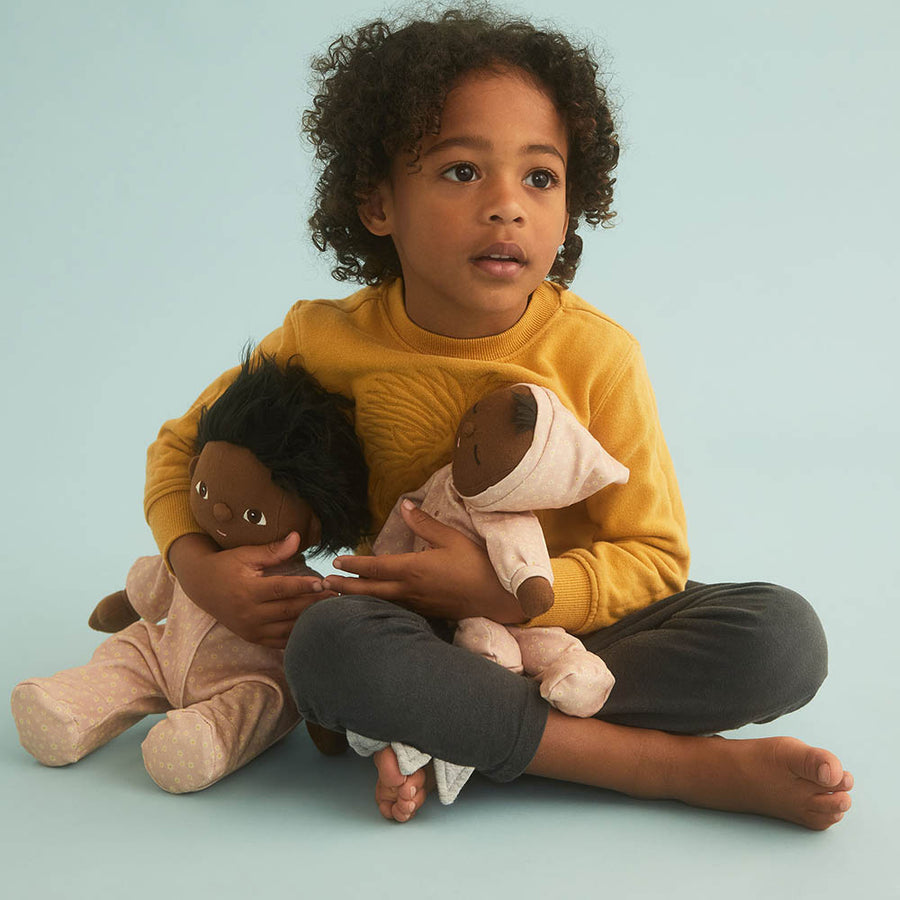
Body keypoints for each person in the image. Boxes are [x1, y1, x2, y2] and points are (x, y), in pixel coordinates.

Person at [144, 8, 853, 830]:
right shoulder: (322, 338)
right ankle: (668, 766)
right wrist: (196, 565)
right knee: (327, 647)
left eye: (540, 178)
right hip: (406, 636)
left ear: (570, 203)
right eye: (459, 172)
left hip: (567, 631)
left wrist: (513, 598)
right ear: (378, 202)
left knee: (782, 637)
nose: (507, 206)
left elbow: (654, 557)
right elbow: (179, 450)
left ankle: (455, 731)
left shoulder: (598, 355)